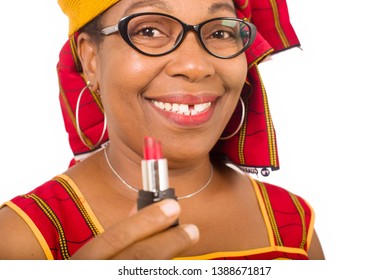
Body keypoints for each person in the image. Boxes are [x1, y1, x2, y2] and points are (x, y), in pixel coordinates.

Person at [0, 0, 324, 260]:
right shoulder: (22, 238)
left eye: (220, 33)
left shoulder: (293, 224)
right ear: (90, 59)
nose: (196, 66)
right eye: (150, 30)